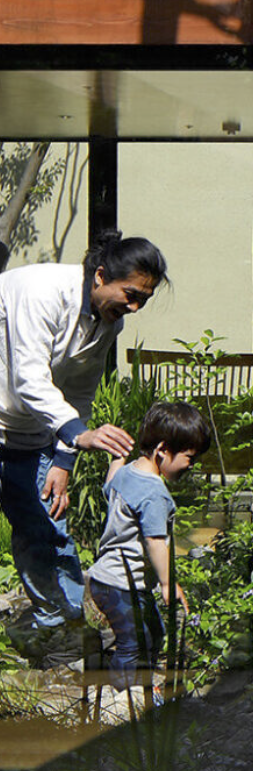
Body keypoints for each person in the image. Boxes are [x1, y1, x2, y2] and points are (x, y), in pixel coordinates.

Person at [0, 230, 165, 667]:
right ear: (99, 275)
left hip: (30, 432)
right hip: (15, 413)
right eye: (129, 294)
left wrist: (63, 458)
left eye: (142, 301)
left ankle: (61, 629)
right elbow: (29, 378)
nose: (132, 307)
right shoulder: (38, 291)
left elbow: (80, 389)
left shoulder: (109, 318)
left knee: (47, 528)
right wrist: (78, 433)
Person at [87, 401, 210, 691]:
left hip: (107, 579)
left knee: (153, 631)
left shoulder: (129, 472)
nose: (190, 465)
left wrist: (117, 456)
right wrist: (168, 583)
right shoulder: (154, 493)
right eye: (189, 458)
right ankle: (119, 698)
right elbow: (155, 541)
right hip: (120, 583)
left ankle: (143, 687)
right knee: (132, 643)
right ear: (162, 451)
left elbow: (109, 485)